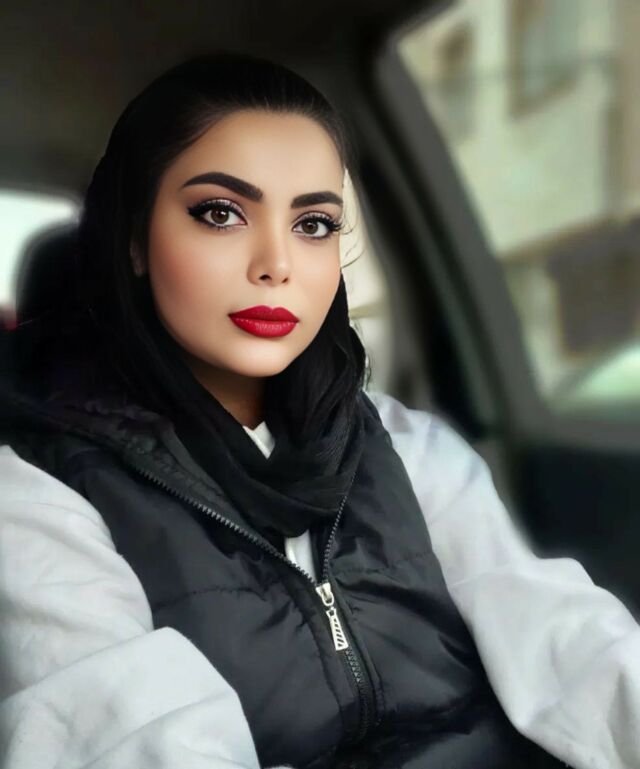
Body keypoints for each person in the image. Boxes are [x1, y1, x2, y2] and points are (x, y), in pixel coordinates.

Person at [0, 53, 638, 769]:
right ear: (135, 241)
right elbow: (123, 741)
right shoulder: (37, 489)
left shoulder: (405, 444)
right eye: (220, 213)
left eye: (313, 223)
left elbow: (569, 640)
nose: (276, 263)